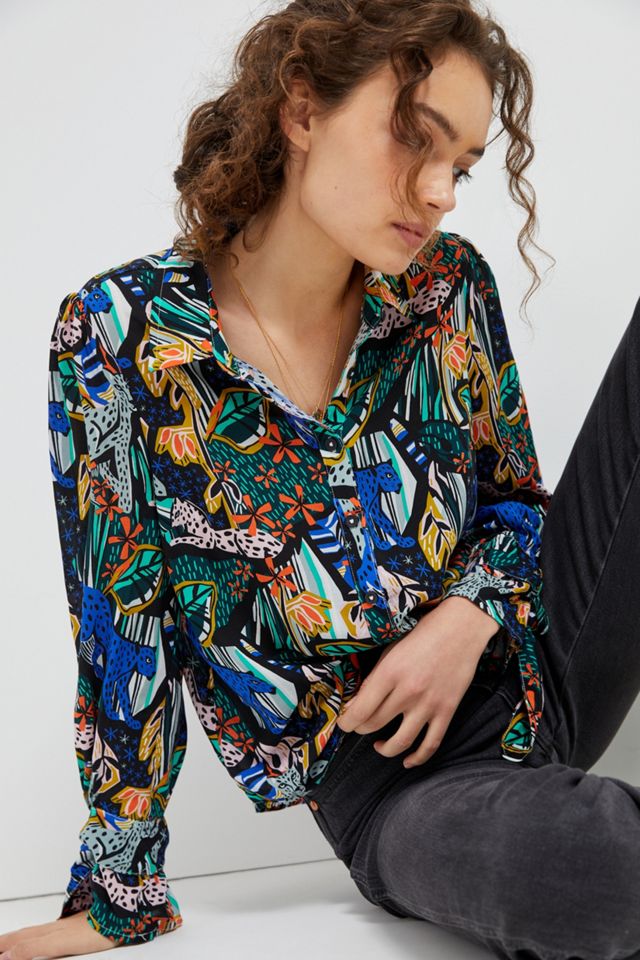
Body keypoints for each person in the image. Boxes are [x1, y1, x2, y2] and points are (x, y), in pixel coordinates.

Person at [3, 0, 639, 957]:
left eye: (463, 165)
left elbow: (514, 503)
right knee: (595, 871)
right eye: (416, 139)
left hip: (542, 647)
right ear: (301, 110)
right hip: (399, 784)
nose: (441, 193)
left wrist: (465, 619)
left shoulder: (446, 287)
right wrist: (116, 894)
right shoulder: (119, 337)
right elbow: (120, 627)